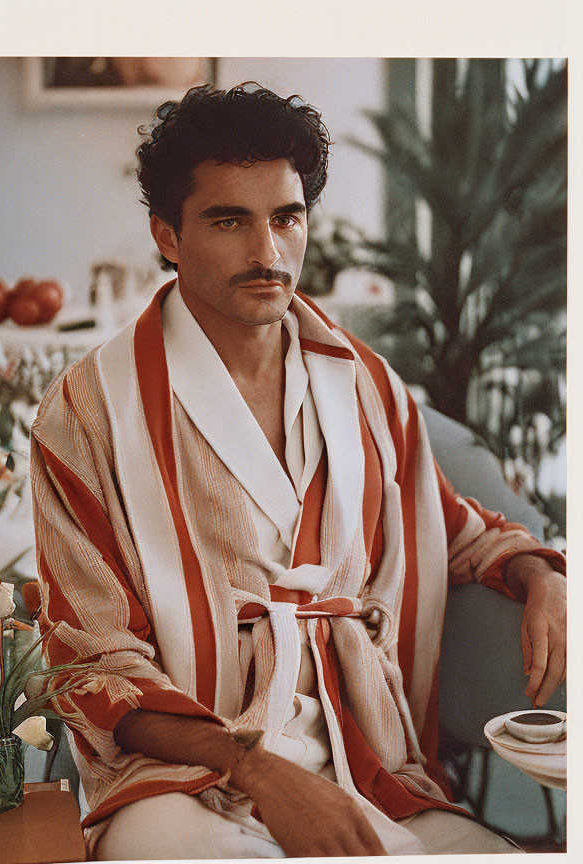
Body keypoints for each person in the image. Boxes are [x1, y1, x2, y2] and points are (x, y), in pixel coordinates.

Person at [30, 83, 566, 858]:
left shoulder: (366, 384)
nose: (268, 253)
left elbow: (451, 529)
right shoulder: (86, 414)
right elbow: (91, 661)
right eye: (229, 221)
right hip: (183, 779)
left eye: (286, 217)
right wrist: (253, 767)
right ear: (168, 236)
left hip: (373, 765)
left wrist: (541, 576)